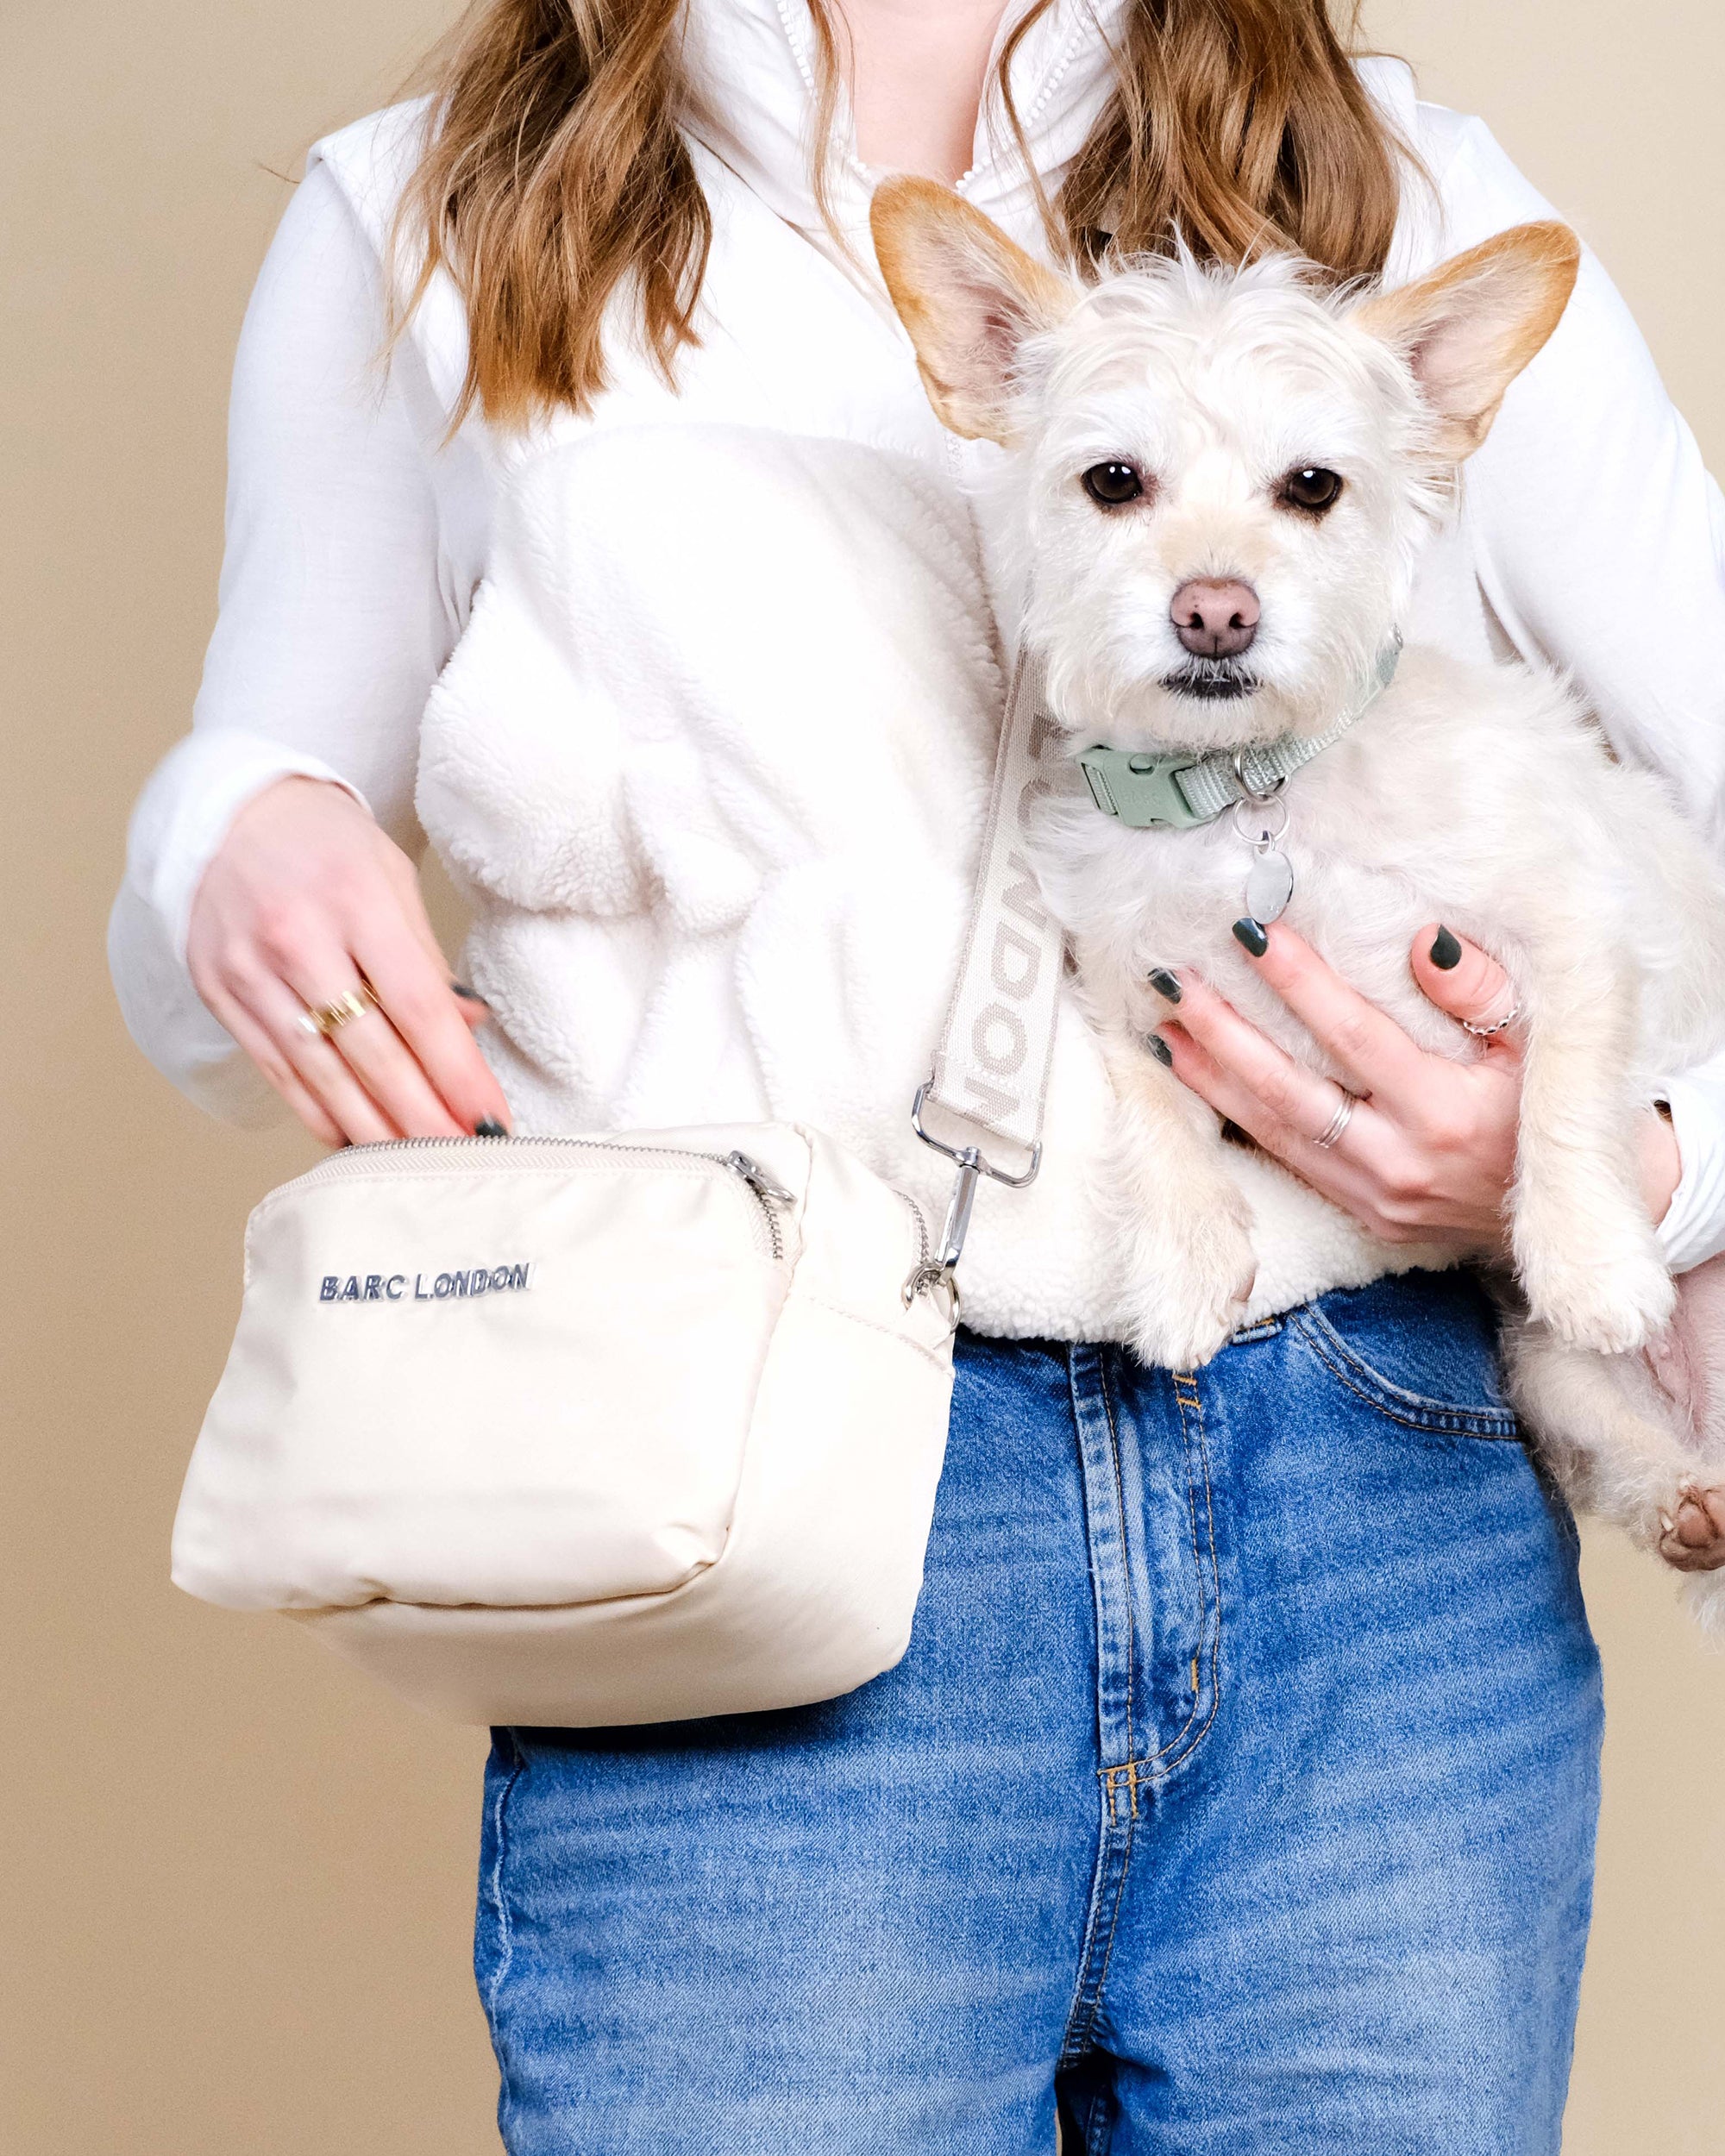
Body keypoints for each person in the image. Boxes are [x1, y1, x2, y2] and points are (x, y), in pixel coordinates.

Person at [110, 3, 1725, 2147]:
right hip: (759, 1482)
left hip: (1372, 1488)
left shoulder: (1395, 182)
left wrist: (1648, 1164)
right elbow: (246, 842)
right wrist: (239, 828)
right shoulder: (427, 210)